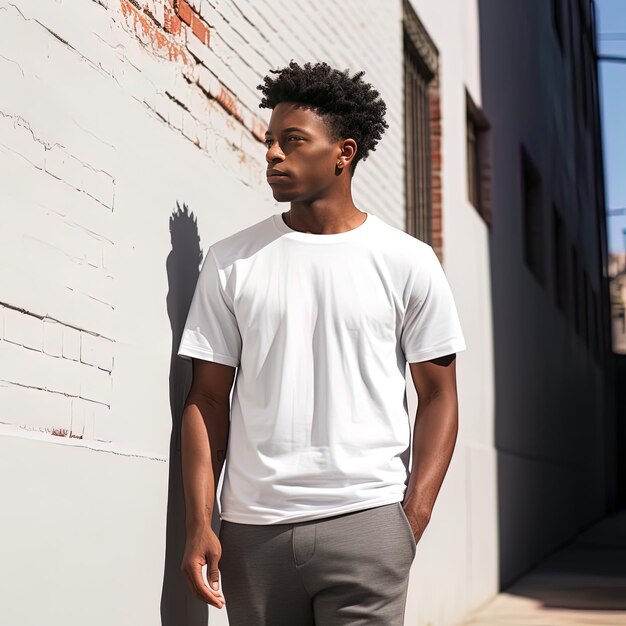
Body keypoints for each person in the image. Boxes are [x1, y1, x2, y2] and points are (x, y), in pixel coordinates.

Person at [177, 60, 467, 625]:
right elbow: (206, 399)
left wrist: (413, 516)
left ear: (344, 152)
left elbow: (439, 396)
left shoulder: (408, 261)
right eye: (269, 141)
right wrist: (199, 522)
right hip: (251, 529)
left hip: (369, 522)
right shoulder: (231, 261)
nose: (273, 154)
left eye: (293, 141)